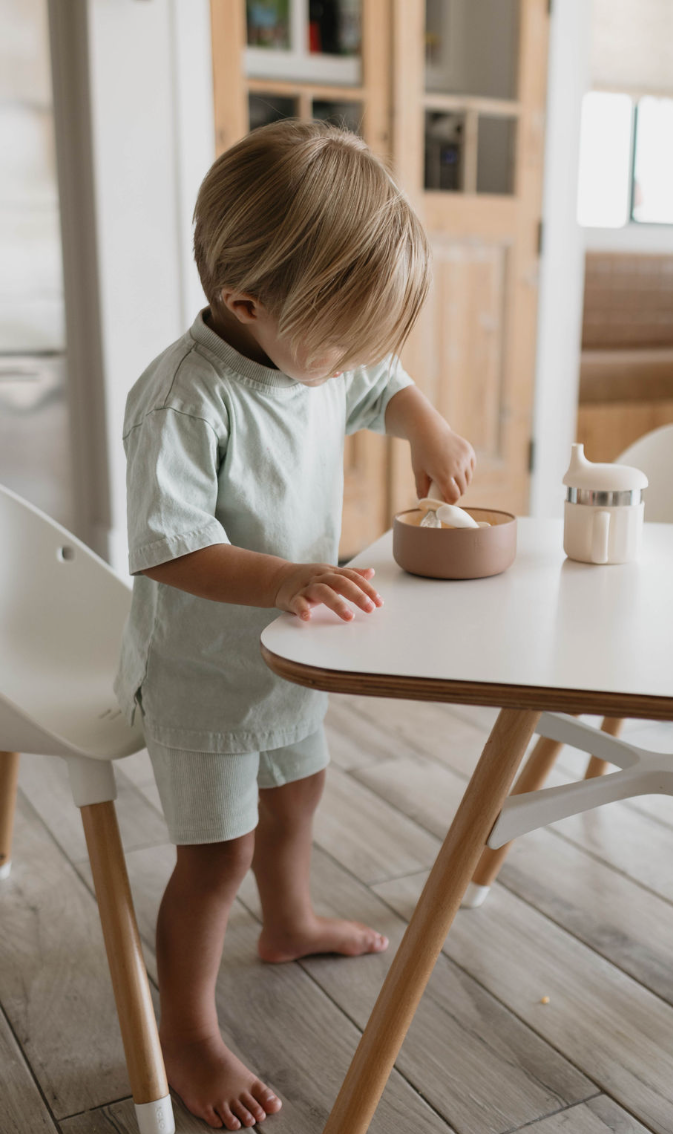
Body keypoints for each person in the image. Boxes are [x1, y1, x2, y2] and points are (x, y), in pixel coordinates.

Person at [114, 118, 475, 1131]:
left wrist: (428, 425)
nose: (349, 365)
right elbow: (168, 546)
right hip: (203, 675)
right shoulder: (183, 403)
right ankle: (186, 1031)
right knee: (213, 857)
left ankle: (289, 920)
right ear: (244, 304)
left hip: (285, 659)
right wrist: (282, 579)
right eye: (340, 341)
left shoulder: (306, 349)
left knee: (301, 787)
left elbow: (378, 380)